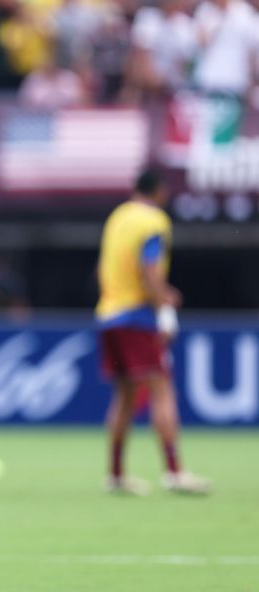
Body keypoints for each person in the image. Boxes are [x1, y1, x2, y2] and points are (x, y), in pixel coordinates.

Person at [96, 168, 209, 496]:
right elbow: (149, 270)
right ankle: (175, 472)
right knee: (162, 389)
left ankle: (116, 474)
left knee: (125, 396)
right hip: (136, 317)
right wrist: (165, 301)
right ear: (159, 191)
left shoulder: (117, 217)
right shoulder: (154, 221)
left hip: (108, 314)